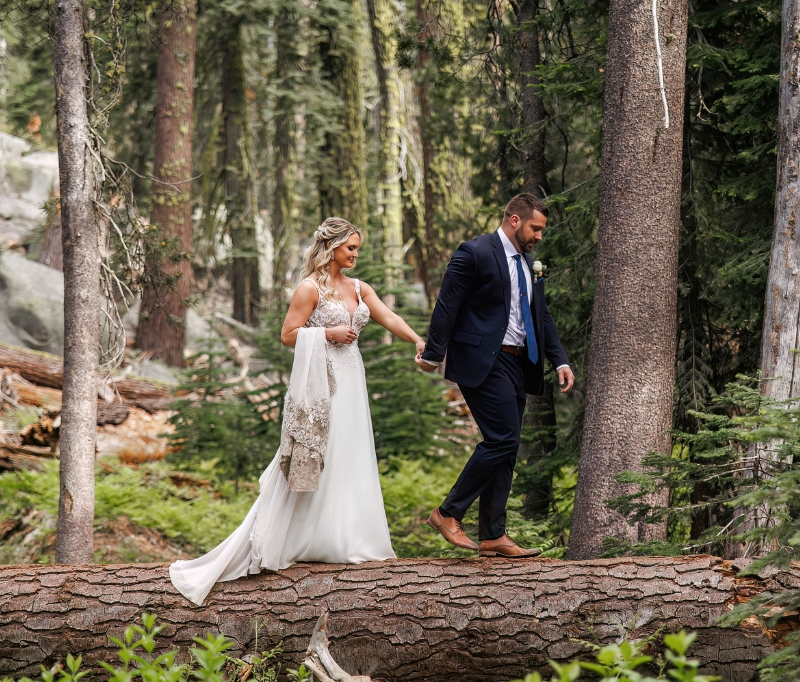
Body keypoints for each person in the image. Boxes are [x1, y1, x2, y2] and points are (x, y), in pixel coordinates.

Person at [169, 217, 426, 605]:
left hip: (352, 381)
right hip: (323, 384)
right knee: (320, 451)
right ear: (332, 247)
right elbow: (289, 335)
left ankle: (350, 537)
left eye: (357, 248)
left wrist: (417, 340)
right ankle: (300, 536)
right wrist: (327, 333)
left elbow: (387, 317)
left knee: (350, 455)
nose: (355, 255)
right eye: (350, 248)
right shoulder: (310, 288)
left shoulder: (359, 288)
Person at [415, 193, 574, 558]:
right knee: (503, 439)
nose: (539, 236)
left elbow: (541, 316)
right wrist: (434, 354)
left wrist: (559, 359)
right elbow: (447, 305)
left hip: (519, 363)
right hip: (482, 360)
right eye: (536, 228)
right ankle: (447, 513)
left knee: (507, 445)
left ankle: (493, 535)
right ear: (515, 220)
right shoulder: (475, 252)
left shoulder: (529, 263)